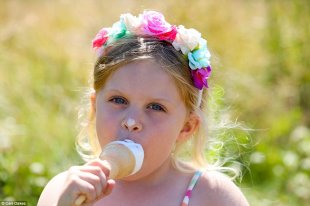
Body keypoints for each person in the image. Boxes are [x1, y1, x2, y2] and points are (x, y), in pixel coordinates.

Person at [38, 10, 249, 206]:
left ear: (186, 127)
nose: (131, 122)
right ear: (95, 107)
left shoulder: (213, 196)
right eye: (118, 100)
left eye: (155, 107)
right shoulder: (64, 192)